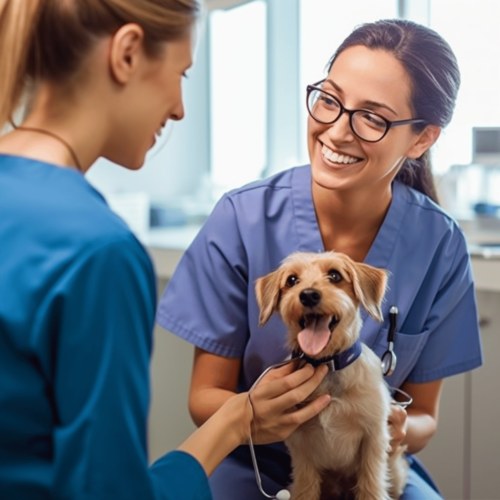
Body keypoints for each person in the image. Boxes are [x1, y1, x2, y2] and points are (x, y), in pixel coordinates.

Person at [0, 1, 332, 499]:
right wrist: (233, 422)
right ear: (127, 53)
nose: (179, 107)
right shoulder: (96, 252)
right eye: (181, 73)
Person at [157, 18, 484, 500]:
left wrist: (389, 424)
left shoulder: (438, 243)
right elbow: (203, 399)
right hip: (257, 460)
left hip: (373, 465)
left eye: (372, 117)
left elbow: (424, 420)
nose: (335, 130)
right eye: (329, 100)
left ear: (421, 139)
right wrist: (257, 414)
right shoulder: (242, 218)